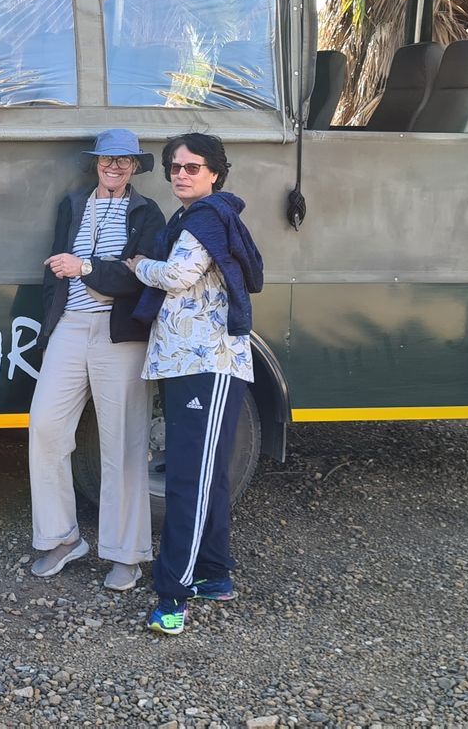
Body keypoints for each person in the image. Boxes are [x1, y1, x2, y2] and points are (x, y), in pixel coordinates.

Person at [127, 133, 263, 636]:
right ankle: (213, 574)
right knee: (206, 475)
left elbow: (180, 276)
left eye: (192, 166)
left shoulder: (205, 218)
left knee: (190, 480)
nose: (181, 174)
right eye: (174, 167)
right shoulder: (199, 217)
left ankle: (173, 596)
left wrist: (138, 263)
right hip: (191, 363)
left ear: (215, 173)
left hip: (207, 364)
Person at [28, 128, 165, 591]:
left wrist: (86, 267)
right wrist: (55, 318)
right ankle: (61, 538)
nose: (115, 166)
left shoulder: (147, 212)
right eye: (108, 159)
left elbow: (141, 279)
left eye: (125, 160)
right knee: (46, 427)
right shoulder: (72, 205)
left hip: (119, 332)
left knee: (123, 443)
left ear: (135, 167)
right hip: (70, 327)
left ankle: (126, 553)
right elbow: (54, 270)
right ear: (96, 163)